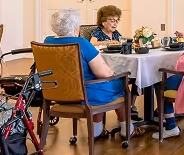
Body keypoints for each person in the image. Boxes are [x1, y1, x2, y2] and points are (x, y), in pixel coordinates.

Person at [44, 8, 128, 140]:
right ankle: (126, 129)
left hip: (57, 93)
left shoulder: (47, 41)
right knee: (119, 83)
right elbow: (105, 73)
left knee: (99, 84)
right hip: (85, 94)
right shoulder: (81, 43)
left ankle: (98, 130)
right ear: (76, 27)